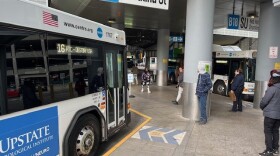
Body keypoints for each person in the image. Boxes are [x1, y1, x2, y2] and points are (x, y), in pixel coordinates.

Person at [259, 70, 280, 156]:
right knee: (275, 131)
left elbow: (264, 101)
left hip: (270, 115)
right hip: (278, 115)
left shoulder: (272, 89)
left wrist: (262, 107)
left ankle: (269, 150)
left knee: (268, 131)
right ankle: (275, 149)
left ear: (273, 79)